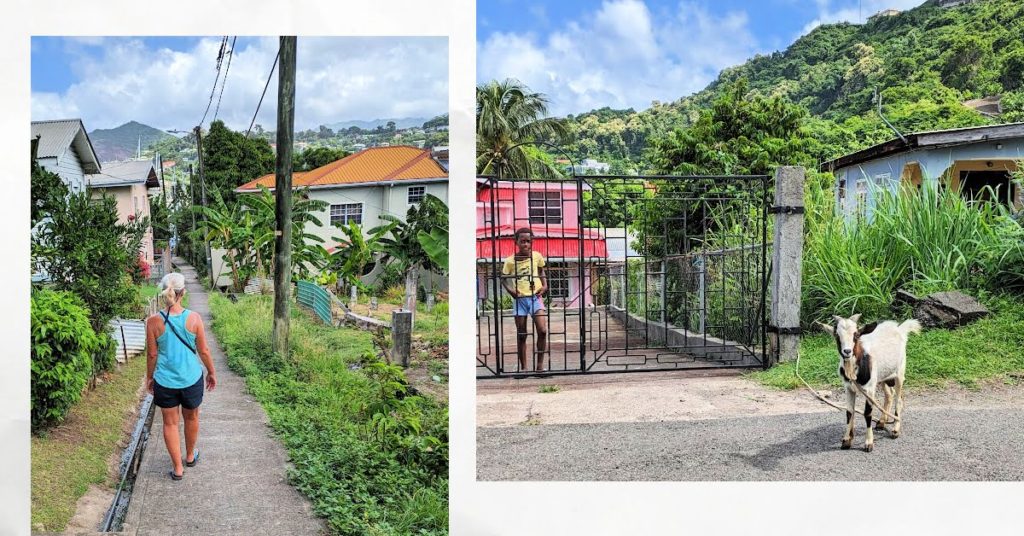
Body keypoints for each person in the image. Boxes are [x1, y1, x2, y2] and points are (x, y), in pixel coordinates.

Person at [145, 272, 217, 480]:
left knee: (170, 423)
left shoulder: (153, 322)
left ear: (163, 293)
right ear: (183, 292)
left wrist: (150, 377)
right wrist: (211, 372)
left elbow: (152, 354)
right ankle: (190, 456)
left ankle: (177, 468)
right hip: (191, 378)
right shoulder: (194, 318)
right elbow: (203, 351)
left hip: (165, 381)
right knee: (192, 417)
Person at [501, 227, 549, 372]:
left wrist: (545, 285)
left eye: (528, 241)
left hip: (536, 297)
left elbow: (541, 271)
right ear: (516, 242)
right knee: (522, 334)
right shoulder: (510, 261)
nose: (525, 244)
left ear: (532, 242)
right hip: (520, 299)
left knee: (542, 330)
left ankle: (539, 366)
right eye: (522, 241)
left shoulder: (537, 256)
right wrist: (511, 291)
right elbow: (503, 278)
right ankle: (524, 368)